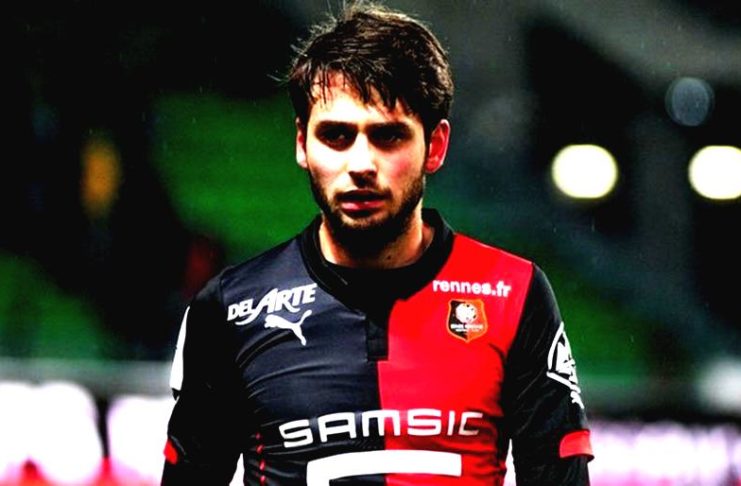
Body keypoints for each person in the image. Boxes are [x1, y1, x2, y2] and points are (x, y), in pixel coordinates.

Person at [161, 2, 594, 484]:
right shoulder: (229, 309)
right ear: (302, 144)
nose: (361, 164)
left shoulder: (514, 294)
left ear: (435, 146)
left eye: (388, 136)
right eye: (336, 136)